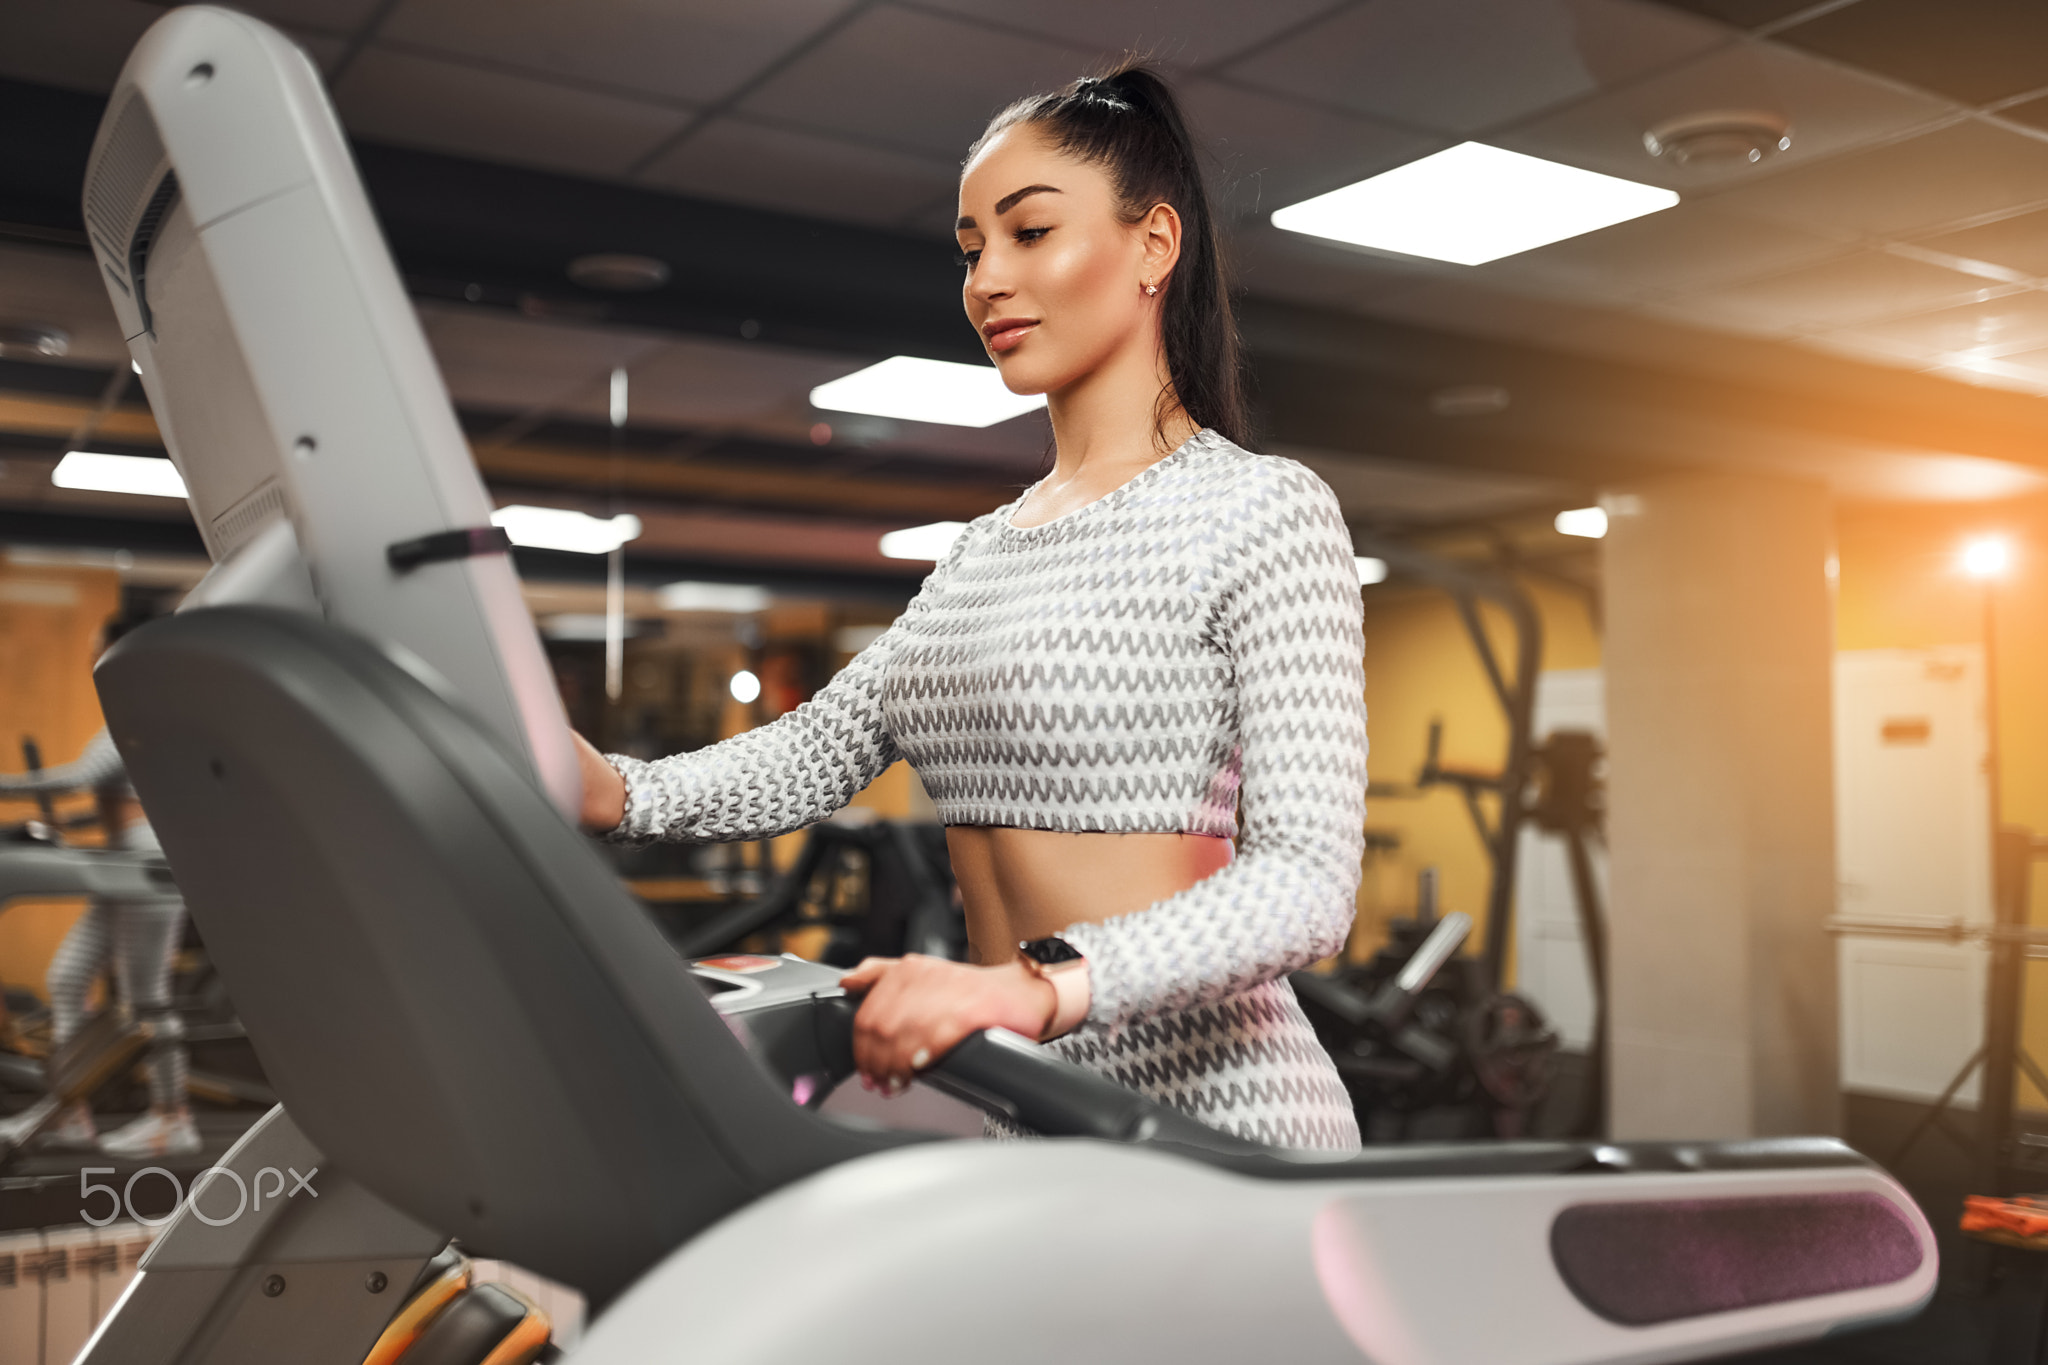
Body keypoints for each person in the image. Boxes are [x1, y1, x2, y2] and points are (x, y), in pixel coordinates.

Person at [577, 63, 1369, 1152]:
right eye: (968, 249)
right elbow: (819, 746)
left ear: (1153, 247)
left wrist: (1029, 991)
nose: (987, 278)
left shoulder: (1260, 509)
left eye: (1028, 232)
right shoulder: (979, 555)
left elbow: (1303, 889)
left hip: (1213, 1118)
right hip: (1026, 1102)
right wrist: (618, 791)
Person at [0, 612, 197, 1158]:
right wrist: (74, 829)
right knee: (67, 979)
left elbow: (80, 779)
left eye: (97, 645)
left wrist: (5, 785)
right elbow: (122, 799)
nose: (90, 654)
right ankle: (70, 1113)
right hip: (121, 863)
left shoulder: (142, 712)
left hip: (146, 870)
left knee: (146, 1000)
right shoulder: (126, 714)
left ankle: (171, 1117)